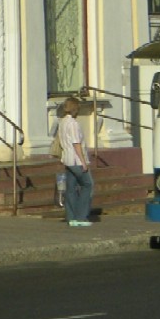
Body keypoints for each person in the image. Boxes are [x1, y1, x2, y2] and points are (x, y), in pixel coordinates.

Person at [58, 96, 93, 227]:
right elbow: (76, 143)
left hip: (66, 158)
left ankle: (71, 217)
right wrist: (84, 162)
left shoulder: (62, 122)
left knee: (71, 188)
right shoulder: (73, 124)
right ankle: (81, 216)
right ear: (75, 109)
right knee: (88, 184)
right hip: (75, 160)